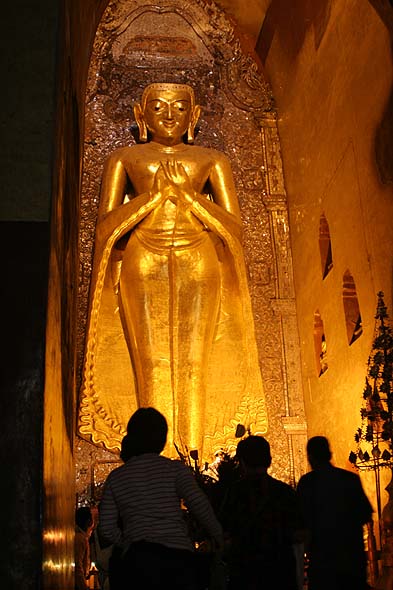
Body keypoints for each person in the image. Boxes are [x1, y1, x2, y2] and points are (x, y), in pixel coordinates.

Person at [79, 82, 266, 459]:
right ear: (140, 114)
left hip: (198, 258)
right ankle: (154, 459)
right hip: (143, 257)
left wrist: (188, 196)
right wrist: (152, 195)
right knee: (149, 362)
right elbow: (104, 228)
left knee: (196, 362)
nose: (169, 115)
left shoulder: (212, 160)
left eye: (180, 108)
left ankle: (193, 460)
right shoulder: (125, 159)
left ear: (193, 116)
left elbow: (234, 228)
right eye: (159, 107)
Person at [98, 407, 224, 590]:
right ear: (162, 439)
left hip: (137, 562)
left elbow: (106, 528)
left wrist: (128, 541)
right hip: (177, 559)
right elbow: (199, 504)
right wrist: (217, 534)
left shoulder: (117, 477)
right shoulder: (175, 470)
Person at [219, 435, 302, 590]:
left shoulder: (234, 493)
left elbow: (225, 530)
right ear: (269, 460)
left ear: (242, 462)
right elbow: (298, 533)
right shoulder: (285, 492)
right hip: (280, 571)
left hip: (245, 572)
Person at [297, 436, 373, 590]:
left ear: (310, 457)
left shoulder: (307, 484)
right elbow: (365, 514)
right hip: (351, 561)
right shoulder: (350, 479)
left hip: (323, 564)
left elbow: (301, 523)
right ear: (329, 454)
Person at [75, 506, 93, 590]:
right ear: (89, 521)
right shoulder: (80, 538)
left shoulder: (82, 537)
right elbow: (78, 566)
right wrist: (83, 587)